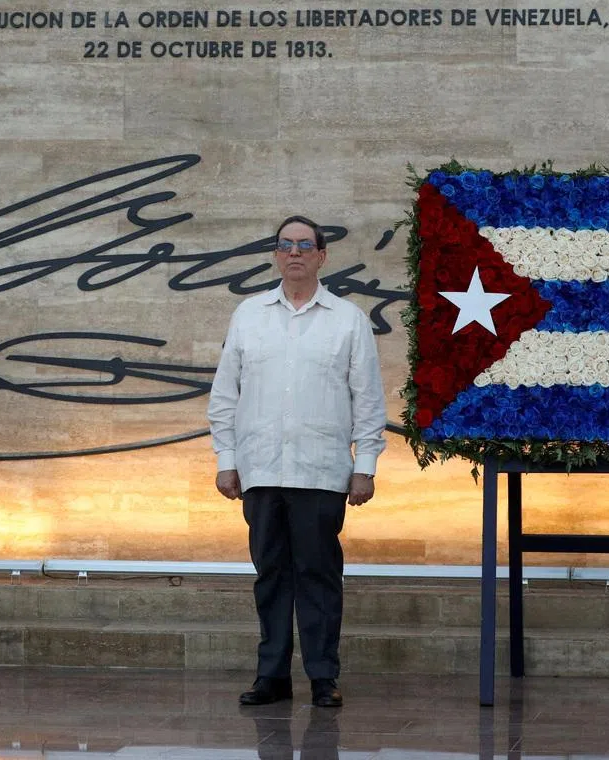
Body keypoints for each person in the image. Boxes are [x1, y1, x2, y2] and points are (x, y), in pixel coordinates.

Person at [207, 215, 386, 708]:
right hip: (260, 469)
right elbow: (225, 395)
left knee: (318, 575)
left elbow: (367, 399)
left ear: (322, 255)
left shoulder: (348, 319)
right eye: (285, 245)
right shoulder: (249, 315)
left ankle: (323, 676)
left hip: (321, 470)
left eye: (304, 245)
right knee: (271, 575)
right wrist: (227, 459)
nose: (294, 253)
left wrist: (365, 464)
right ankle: (272, 677)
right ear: (275, 254)